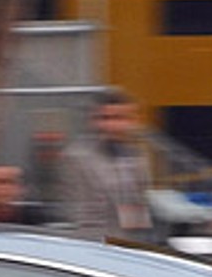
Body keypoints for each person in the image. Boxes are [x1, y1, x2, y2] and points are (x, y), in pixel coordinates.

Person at [61, 88, 159, 244]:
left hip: (131, 244)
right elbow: (80, 214)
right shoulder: (78, 157)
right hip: (95, 245)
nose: (112, 125)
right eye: (106, 118)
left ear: (133, 121)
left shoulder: (137, 156)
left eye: (120, 118)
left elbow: (139, 209)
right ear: (94, 121)